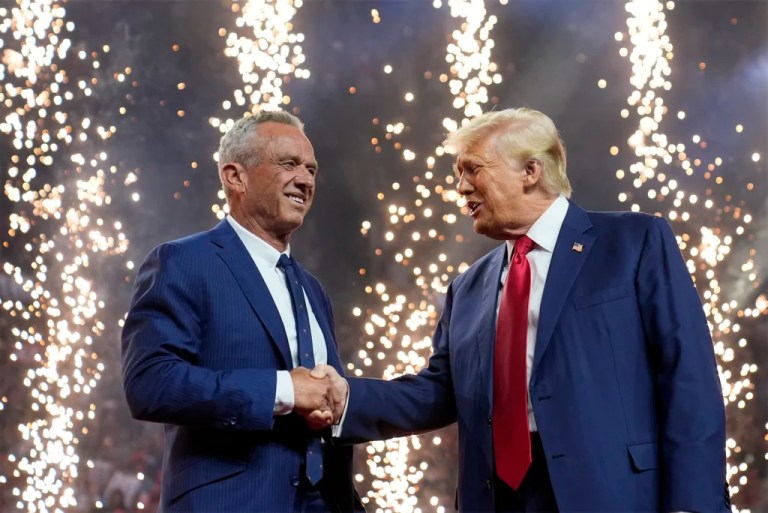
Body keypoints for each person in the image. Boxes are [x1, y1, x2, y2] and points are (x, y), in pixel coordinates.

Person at [317, 108, 729, 512]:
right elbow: (438, 393)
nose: (460, 187)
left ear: (531, 172)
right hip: (500, 498)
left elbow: (686, 374)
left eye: (472, 169)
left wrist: (693, 504)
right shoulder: (467, 288)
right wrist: (343, 398)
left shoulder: (633, 242)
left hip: (614, 492)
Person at [121, 110, 363, 512]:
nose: (305, 179)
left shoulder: (314, 291)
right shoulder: (183, 262)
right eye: (288, 164)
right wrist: (285, 390)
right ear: (235, 176)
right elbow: (150, 383)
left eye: (311, 169)